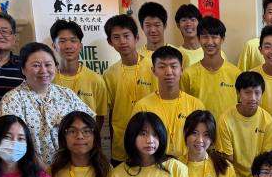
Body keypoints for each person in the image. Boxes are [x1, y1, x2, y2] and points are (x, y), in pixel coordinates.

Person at [0, 42, 94, 165]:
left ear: (56, 67)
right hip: (31, 171)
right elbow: (10, 145)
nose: (43, 70)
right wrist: (45, 173)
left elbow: (88, 127)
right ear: (23, 69)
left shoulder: (67, 94)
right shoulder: (11, 100)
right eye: (36, 65)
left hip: (70, 168)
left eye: (48, 65)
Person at [132, 46, 204, 159]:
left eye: (173, 66)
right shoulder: (142, 106)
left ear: (181, 70)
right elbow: (136, 143)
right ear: (154, 71)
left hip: (188, 168)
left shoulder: (196, 105)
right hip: (155, 168)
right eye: (162, 67)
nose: (168, 72)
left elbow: (202, 142)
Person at [102, 14, 157, 164]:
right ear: (110, 42)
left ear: (137, 37)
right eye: (116, 37)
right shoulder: (109, 74)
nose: (122, 42)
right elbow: (111, 112)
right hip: (122, 144)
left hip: (152, 142)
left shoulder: (154, 66)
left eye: (126, 36)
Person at [216, 71, 272, 177]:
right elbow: (228, 160)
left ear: (262, 94)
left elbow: (266, 159)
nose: (253, 98)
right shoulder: (225, 119)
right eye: (247, 93)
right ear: (238, 93)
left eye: (257, 93)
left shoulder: (267, 121)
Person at [50, 19, 108, 130]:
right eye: (62, 41)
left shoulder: (95, 80)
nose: (68, 46)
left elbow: (99, 116)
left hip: (85, 142)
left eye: (73, 40)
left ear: (80, 46)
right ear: (54, 45)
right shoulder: (48, 79)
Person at [180, 16, 241, 119]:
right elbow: (183, 107)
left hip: (228, 132)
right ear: (199, 39)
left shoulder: (236, 74)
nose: (209, 42)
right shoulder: (188, 74)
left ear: (222, 39)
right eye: (205, 37)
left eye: (214, 36)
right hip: (199, 133)